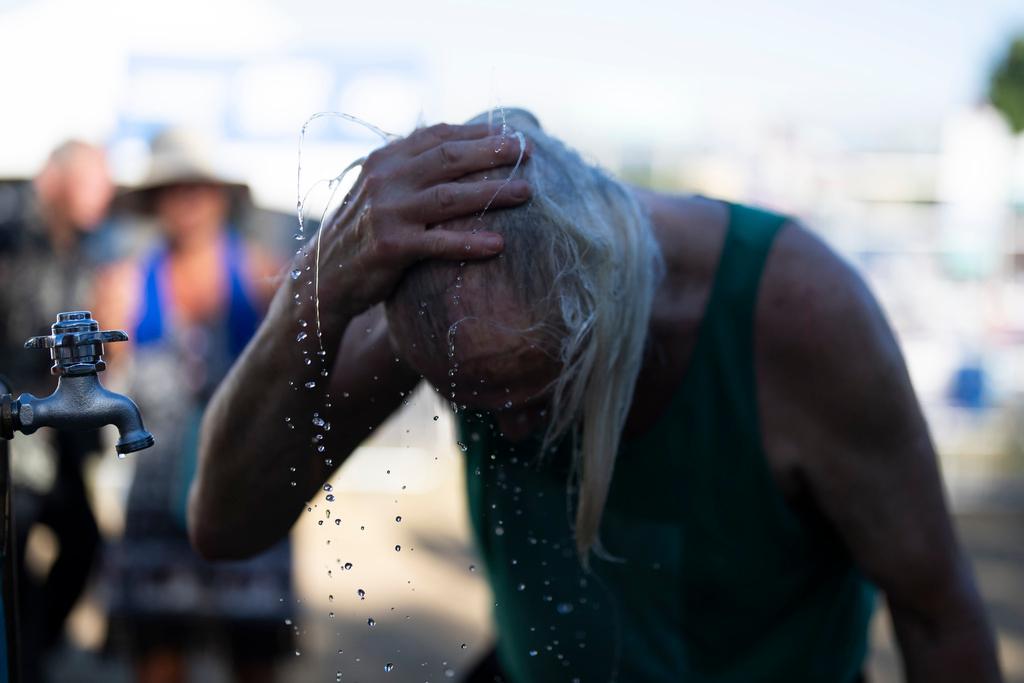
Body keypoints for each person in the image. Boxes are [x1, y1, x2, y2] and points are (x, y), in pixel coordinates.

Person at [188, 111, 1002, 682]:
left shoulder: (798, 317)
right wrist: (312, 290)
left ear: (609, 313)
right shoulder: (443, 300)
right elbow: (224, 525)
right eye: (470, 400)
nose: (510, 426)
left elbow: (937, 614)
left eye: (540, 391)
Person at [95, 128, 288, 683]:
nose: (186, 202)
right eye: (173, 189)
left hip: (247, 491)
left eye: (197, 188)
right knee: (158, 658)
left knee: (253, 658)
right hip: (156, 501)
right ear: (155, 200)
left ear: (220, 195)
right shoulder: (124, 286)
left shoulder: (262, 276)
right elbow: (102, 387)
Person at [0, 140, 114, 682]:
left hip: (55, 428)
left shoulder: (83, 247)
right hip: (12, 418)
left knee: (84, 541)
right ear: (58, 180)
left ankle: (34, 652)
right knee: (13, 544)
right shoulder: (11, 231)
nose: (106, 192)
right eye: (94, 179)